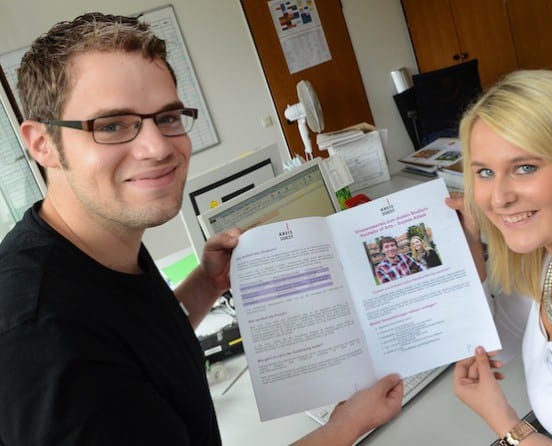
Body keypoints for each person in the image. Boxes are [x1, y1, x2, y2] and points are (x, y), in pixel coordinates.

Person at [0, 12, 403, 445]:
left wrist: (207, 283)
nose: (158, 148)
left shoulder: (94, 246)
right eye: (112, 125)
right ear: (42, 144)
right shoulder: (43, 344)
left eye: (168, 117)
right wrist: (346, 425)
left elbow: (138, 336)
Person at [446, 70, 552, 445]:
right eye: (486, 173)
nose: (498, 198)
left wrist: (507, 425)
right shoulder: (549, 256)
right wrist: (469, 252)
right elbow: (492, 346)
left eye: (524, 168)